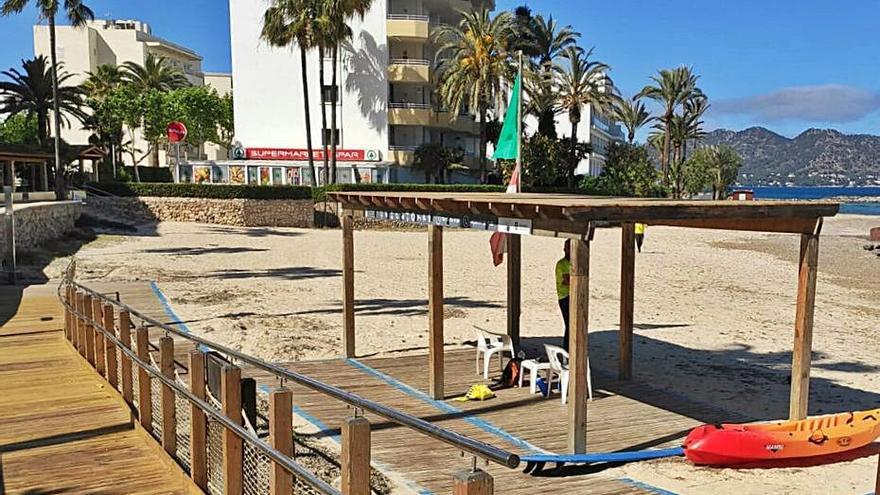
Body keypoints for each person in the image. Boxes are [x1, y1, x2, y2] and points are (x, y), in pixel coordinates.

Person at [555, 239, 571, 350]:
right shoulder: (562, 264)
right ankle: (567, 349)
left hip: (572, 296)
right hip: (565, 297)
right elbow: (567, 280)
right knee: (569, 325)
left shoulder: (574, 263)